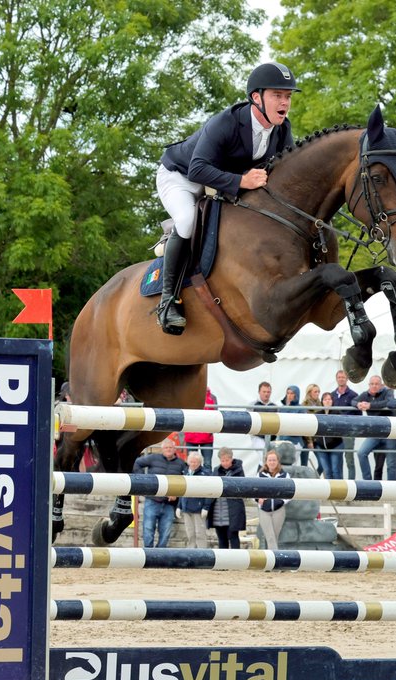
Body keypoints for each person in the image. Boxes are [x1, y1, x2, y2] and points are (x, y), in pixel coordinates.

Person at [154, 62, 299, 334]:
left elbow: (285, 174)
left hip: (218, 184)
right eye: (277, 96)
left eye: (288, 96)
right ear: (256, 98)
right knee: (186, 221)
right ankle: (167, 302)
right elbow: (198, 168)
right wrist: (242, 181)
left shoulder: (282, 130)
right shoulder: (228, 122)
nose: (284, 102)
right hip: (181, 177)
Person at [133, 438, 188, 547]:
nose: (168, 449)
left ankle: (160, 555)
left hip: (169, 504)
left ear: (174, 449)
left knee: (166, 532)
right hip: (152, 500)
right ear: (162, 449)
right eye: (166, 447)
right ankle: (148, 554)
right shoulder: (153, 458)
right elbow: (137, 463)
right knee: (148, 529)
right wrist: (144, 482)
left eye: (171, 447)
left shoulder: (181, 464)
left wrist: (177, 495)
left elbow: (186, 481)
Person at [354, 375, 395, 480]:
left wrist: (370, 406)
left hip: (390, 432)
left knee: (391, 464)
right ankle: (367, 482)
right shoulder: (365, 394)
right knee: (361, 453)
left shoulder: (387, 392)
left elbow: (389, 403)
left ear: (381, 385)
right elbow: (353, 401)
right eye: (372, 384)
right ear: (369, 385)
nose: (374, 386)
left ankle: (393, 492)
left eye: (376, 384)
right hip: (375, 432)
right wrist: (358, 404)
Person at [211, 447, 246, 549]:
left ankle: (236, 562)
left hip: (233, 509)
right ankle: (223, 562)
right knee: (221, 539)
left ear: (231, 459)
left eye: (227, 460)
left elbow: (241, 487)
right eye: (223, 460)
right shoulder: (216, 470)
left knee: (233, 537)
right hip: (218, 509)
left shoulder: (239, 470)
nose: (225, 463)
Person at [177, 451, 214, 548]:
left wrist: (206, 507)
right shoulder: (185, 472)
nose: (193, 464)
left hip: (199, 508)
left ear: (199, 462)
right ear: (188, 461)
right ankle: (191, 553)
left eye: (195, 462)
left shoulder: (205, 473)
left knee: (200, 533)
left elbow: (210, 491)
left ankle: (202, 553)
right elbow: (182, 490)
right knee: (190, 533)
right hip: (186, 507)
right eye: (191, 461)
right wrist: (179, 506)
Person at [256, 449, 290, 549]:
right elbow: (253, 490)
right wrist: (258, 499)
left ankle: (271, 558)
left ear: (278, 461)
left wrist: (282, 501)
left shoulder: (284, 475)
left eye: (274, 460)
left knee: (275, 536)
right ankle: (275, 560)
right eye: (270, 460)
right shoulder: (260, 475)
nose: (272, 462)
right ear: (266, 461)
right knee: (270, 537)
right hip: (264, 510)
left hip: (278, 510)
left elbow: (290, 492)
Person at [330, 370, 359, 477]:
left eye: (343, 377)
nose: (341, 379)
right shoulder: (332, 395)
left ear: (347, 379)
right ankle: (339, 485)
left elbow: (358, 415)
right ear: (336, 379)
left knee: (349, 459)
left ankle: (351, 484)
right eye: (339, 377)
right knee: (336, 459)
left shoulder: (354, 395)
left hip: (348, 432)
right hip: (335, 432)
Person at [183, 387, 218, 468]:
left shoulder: (212, 397)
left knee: (207, 463)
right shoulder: (188, 396)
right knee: (191, 463)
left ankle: (207, 479)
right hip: (191, 436)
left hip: (205, 437)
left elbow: (216, 416)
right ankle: (191, 479)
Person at [313, 392, 344, 480]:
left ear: (332, 401)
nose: (327, 401)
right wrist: (316, 442)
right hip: (321, 447)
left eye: (329, 399)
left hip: (335, 446)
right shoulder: (318, 414)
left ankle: (339, 491)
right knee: (327, 471)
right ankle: (329, 492)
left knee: (336, 470)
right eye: (325, 399)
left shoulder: (337, 413)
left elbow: (340, 429)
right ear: (322, 401)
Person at [276, 385, 306, 465]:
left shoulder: (301, 409)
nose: (289, 395)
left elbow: (301, 426)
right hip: (282, 441)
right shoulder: (282, 408)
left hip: (295, 441)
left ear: (296, 395)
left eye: (292, 393)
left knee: (292, 466)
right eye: (288, 393)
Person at [300, 383, 323, 471]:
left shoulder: (320, 405)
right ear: (309, 393)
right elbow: (305, 424)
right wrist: (309, 441)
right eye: (315, 392)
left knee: (322, 465)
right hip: (306, 439)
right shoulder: (304, 405)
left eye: (318, 392)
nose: (317, 394)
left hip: (317, 438)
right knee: (304, 465)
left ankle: (315, 479)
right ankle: (303, 483)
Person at [250, 381, 275, 458]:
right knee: (264, 456)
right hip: (258, 436)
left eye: (268, 392)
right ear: (259, 392)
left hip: (272, 437)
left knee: (270, 458)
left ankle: (261, 470)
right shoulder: (252, 405)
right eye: (264, 391)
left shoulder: (275, 406)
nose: (266, 394)